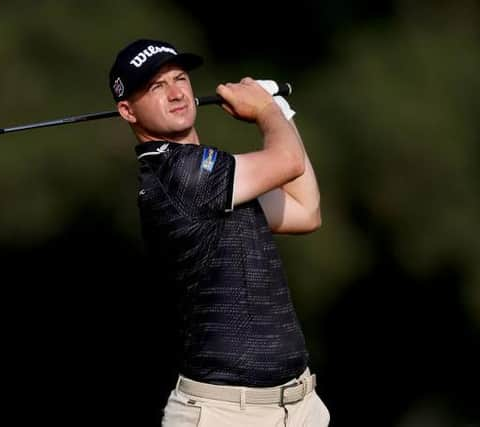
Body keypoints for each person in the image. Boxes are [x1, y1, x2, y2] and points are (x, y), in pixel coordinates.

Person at [108, 38, 330, 427]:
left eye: (180, 79)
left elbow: (306, 210)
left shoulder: (215, 176)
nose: (176, 92)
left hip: (298, 407)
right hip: (224, 414)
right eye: (156, 87)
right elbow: (288, 160)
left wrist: (280, 110)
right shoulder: (177, 176)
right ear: (127, 111)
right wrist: (263, 109)